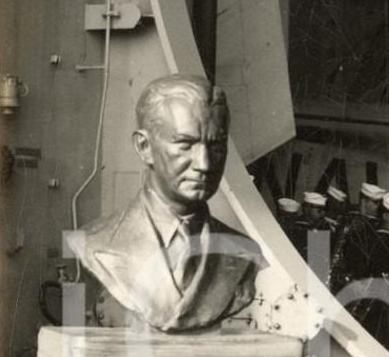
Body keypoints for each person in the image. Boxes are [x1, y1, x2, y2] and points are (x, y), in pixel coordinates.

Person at [68, 74, 262, 331]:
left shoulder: (243, 253)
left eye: (216, 145)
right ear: (144, 147)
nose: (204, 164)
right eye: (185, 144)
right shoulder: (94, 242)